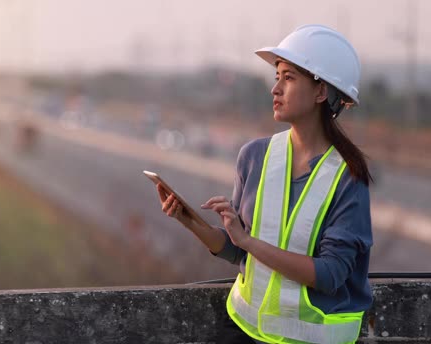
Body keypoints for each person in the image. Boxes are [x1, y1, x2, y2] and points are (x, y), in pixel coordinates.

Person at [157, 24, 373, 343]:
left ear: (321, 91)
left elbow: (329, 276)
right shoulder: (255, 156)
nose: (275, 89)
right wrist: (190, 222)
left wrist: (248, 242)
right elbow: (239, 251)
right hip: (244, 331)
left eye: (289, 78)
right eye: (277, 78)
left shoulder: (348, 178)